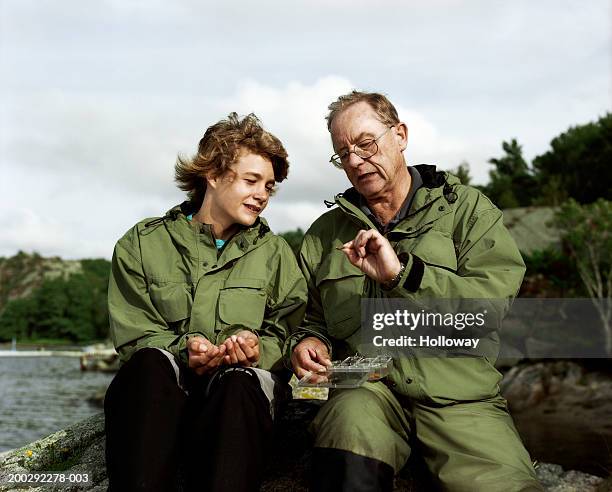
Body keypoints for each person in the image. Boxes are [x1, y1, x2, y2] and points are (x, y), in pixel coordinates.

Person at [288, 91, 544, 491]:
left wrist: (404, 274)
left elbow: (488, 307)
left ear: (401, 135)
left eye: (366, 144)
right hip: (366, 393)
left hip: (460, 398)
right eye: (343, 153)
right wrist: (308, 341)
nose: (355, 161)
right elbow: (311, 317)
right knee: (344, 448)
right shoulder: (323, 235)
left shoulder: (468, 211)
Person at [104, 113, 307, 492]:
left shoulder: (277, 254)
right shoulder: (141, 244)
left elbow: (290, 328)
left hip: (237, 398)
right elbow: (135, 335)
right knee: (148, 364)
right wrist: (185, 351)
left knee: (240, 385)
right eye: (251, 180)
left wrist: (257, 348)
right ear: (212, 175)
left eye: (269, 185)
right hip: (166, 394)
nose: (262, 194)